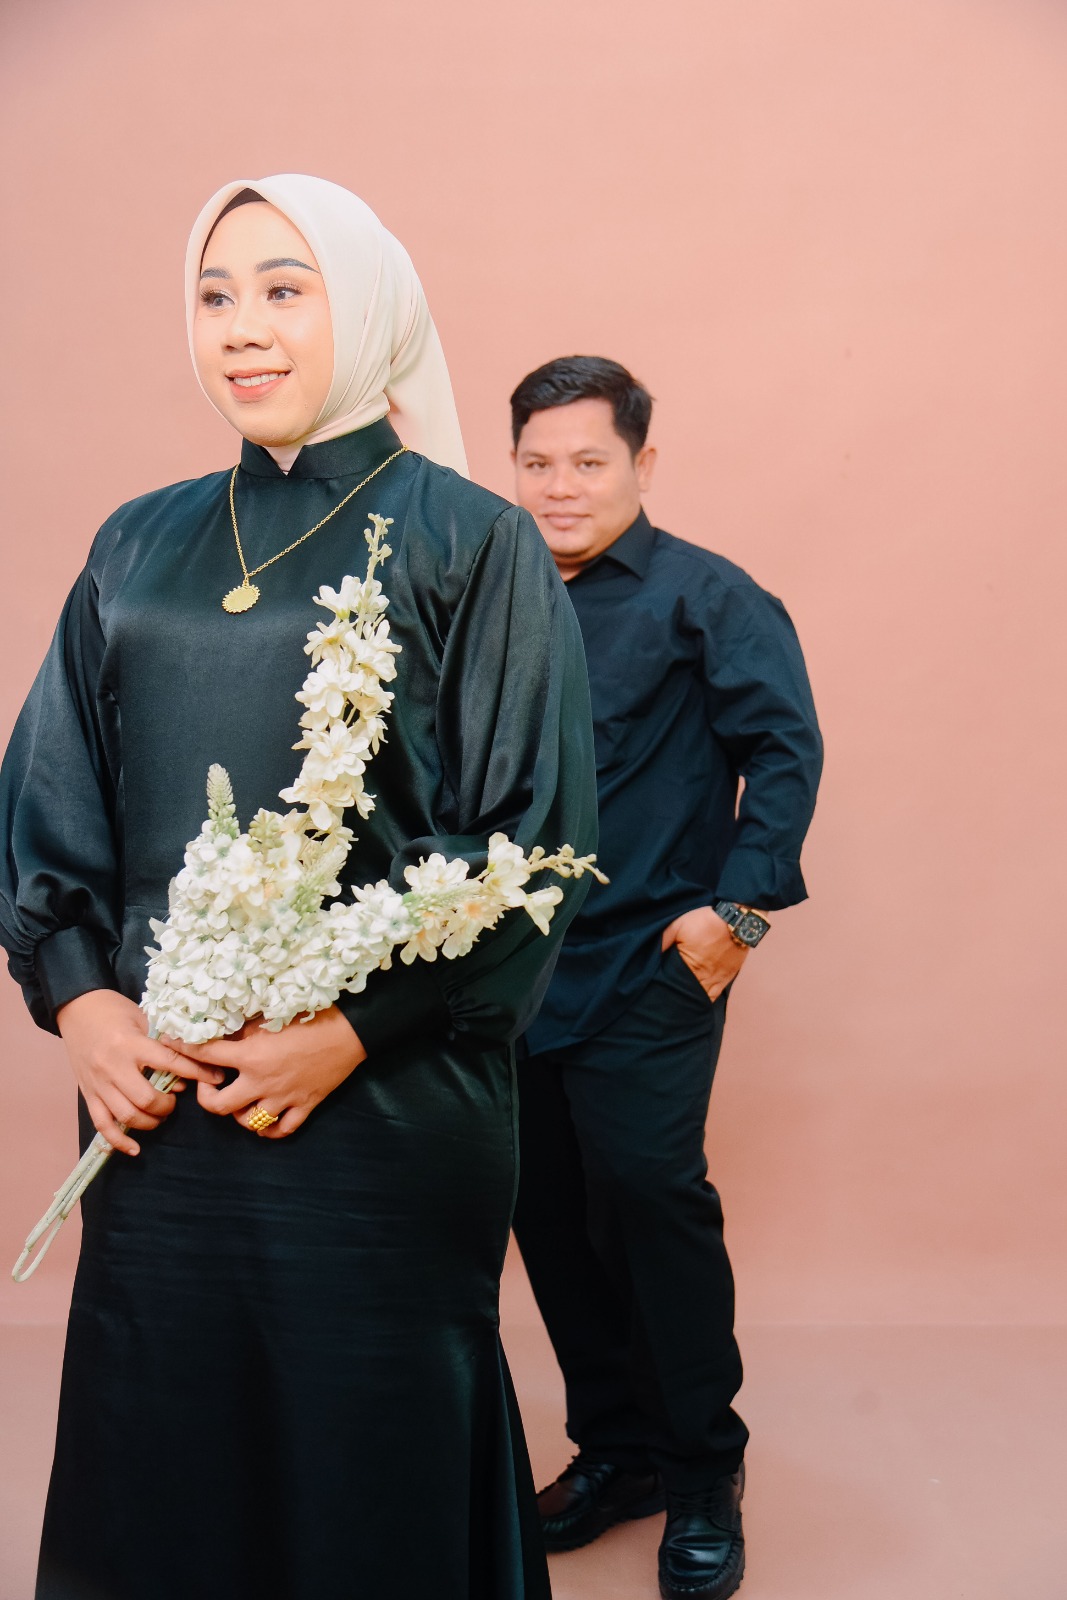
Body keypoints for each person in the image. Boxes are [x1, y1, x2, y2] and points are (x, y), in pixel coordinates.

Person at [0, 178, 597, 1600]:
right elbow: (50, 793)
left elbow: (529, 836)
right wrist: (82, 1005)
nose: (241, 328)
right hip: (163, 1097)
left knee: (364, 1447)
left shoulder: (469, 539)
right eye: (214, 295)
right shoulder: (135, 542)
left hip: (384, 1102)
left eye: (284, 289)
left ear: (368, 309)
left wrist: (347, 1032)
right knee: (167, 1439)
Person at [508, 356, 823, 1600]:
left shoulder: (709, 595)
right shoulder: (496, 593)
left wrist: (735, 914)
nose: (560, 486)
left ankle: (701, 1470)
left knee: (647, 1194)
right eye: (537, 462)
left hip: (651, 958)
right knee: (544, 1209)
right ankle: (617, 1451)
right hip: (510, 970)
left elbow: (782, 749)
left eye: (588, 461)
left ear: (641, 463)